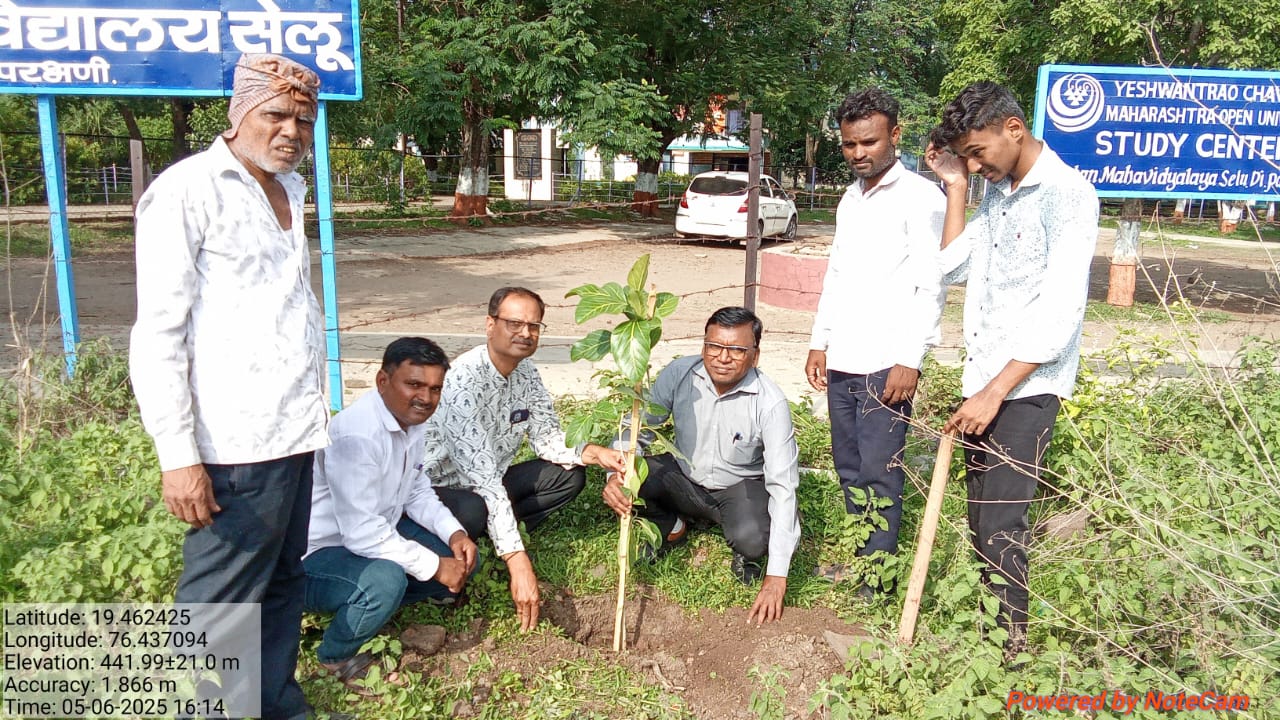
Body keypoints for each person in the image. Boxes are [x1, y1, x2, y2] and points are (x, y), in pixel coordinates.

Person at [129, 54, 327, 719]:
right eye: (275, 114)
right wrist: (177, 455)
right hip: (233, 444)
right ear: (237, 115)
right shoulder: (189, 191)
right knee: (219, 604)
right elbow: (159, 333)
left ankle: (271, 703)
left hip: (292, 435)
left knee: (281, 583)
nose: (291, 131)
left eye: (304, 119)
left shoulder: (288, 189)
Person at [924, 81, 1098, 658]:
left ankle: (1008, 651)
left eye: (979, 153)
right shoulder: (998, 190)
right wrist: (956, 186)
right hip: (986, 383)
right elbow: (952, 266)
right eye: (967, 157)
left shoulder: (1067, 195)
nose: (976, 165)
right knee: (981, 517)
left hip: (1023, 386)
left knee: (1002, 522)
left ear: (1013, 128)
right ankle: (988, 635)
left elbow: (1061, 314)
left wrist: (996, 391)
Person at [805, 88, 946, 596]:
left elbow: (933, 284)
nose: (859, 153)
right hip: (843, 359)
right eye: (849, 145)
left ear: (896, 136)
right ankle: (861, 560)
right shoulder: (850, 198)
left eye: (868, 141)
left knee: (880, 470)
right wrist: (820, 341)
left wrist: (910, 359)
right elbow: (836, 275)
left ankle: (877, 578)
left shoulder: (922, 198)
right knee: (848, 467)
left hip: (888, 364)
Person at [421, 287, 626, 631]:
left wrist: (595, 453)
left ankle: (494, 534)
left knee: (568, 476)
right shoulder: (462, 381)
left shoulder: (526, 373)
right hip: (441, 492)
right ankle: (486, 543)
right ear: (490, 324)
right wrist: (519, 563)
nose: (525, 333)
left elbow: (547, 436)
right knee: (475, 506)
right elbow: (482, 479)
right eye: (514, 323)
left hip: (490, 483)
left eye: (534, 326)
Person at [602, 307, 802, 625]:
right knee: (630, 482)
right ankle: (672, 526)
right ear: (704, 346)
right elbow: (636, 428)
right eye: (714, 346)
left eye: (736, 349)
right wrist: (615, 473)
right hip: (683, 475)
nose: (723, 357)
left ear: (755, 355)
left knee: (752, 538)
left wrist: (777, 576)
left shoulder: (769, 402)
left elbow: (783, 485)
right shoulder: (681, 374)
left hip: (738, 487)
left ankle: (743, 547)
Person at [304, 337, 478, 690]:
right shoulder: (358, 435)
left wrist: (453, 534)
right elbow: (360, 533)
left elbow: (415, 489)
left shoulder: (411, 421)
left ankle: (369, 605)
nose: (426, 398)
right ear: (383, 381)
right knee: (387, 580)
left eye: (434, 388)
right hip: (319, 556)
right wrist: (433, 566)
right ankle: (335, 654)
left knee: (457, 558)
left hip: (375, 530)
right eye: (414, 384)